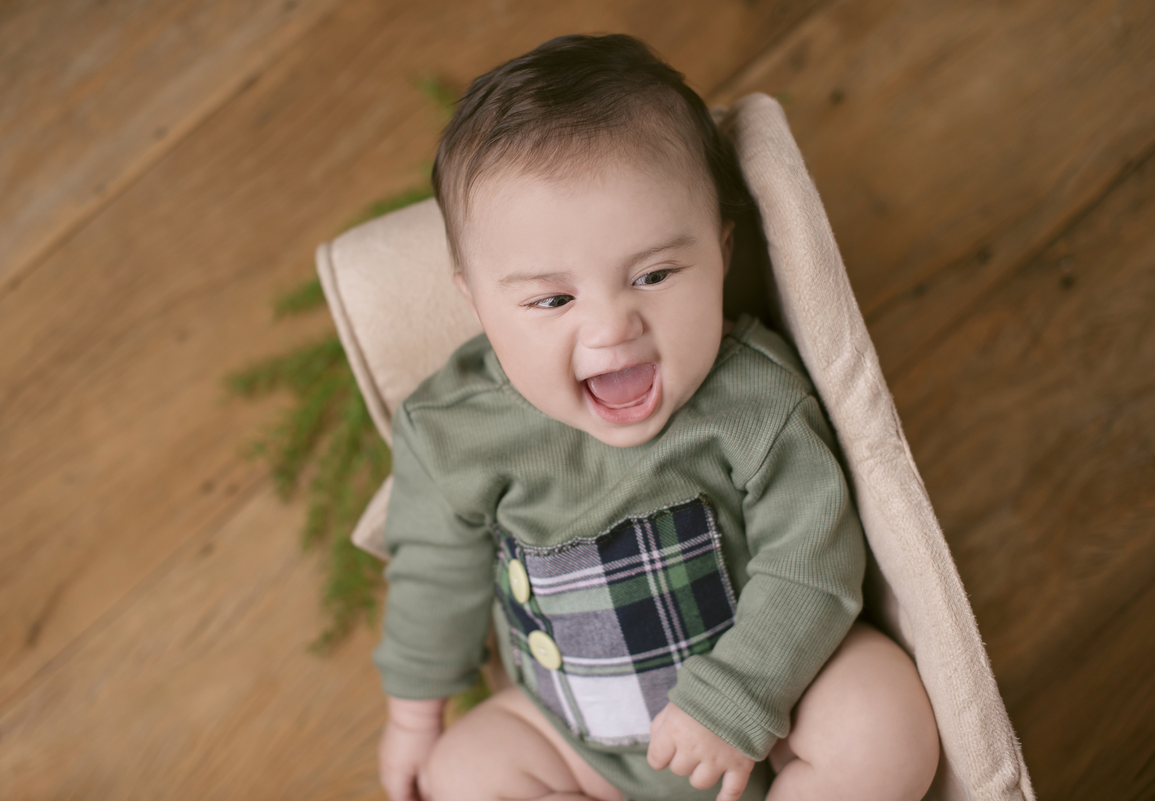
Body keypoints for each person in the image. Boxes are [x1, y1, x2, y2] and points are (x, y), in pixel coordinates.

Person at [374, 34, 939, 801]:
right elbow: (432, 575)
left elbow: (812, 561)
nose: (612, 328)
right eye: (552, 299)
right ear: (474, 302)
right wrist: (415, 715)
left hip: (774, 702)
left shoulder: (752, 398)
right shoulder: (454, 429)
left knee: (883, 712)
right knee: (464, 774)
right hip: (576, 743)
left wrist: (741, 691)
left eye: (655, 274)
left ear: (721, 249)